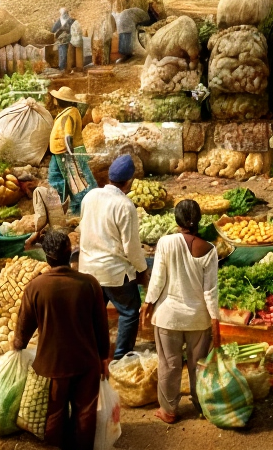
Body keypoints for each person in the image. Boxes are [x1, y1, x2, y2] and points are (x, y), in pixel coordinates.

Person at [12, 229, 111, 450]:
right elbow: (101, 326)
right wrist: (104, 357)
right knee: (85, 413)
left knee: (54, 414)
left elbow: (23, 328)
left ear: (47, 257)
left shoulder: (35, 287)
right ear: (71, 253)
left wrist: (18, 345)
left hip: (52, 364)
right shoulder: (89, 284)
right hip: (86, 362)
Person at [142, 199, 220, 424]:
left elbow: (157, 280)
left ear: (177, 220)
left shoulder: (166, 243)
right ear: (199, 220)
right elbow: (211, 291)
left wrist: (148, 303)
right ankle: (201, 405)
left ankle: (168, 410)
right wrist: (215, 320)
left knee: (170, 364)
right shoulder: (209, 249)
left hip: (169, 317)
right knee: (199, 365)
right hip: (199, 319)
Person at [80, 155, 150, 359]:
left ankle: (92, 351)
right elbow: (132, 248)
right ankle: (121, 356)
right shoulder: (125, 205)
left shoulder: (90, 196)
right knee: (129, 311)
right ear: (129, 181)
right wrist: (143, 270)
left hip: (88, 269)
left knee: (94, 313)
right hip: (114, 273)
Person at [48, 86, 95, 214]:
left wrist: (70, 154)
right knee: (58, 178)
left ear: (61, 100)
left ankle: (81, 209)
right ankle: (62, 206)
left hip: (67, 151)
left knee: (78, 182)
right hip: (59, 152)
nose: (55, 100)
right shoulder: (67, 112)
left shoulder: (70, 113)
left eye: (57, 98)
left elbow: (68, 135)